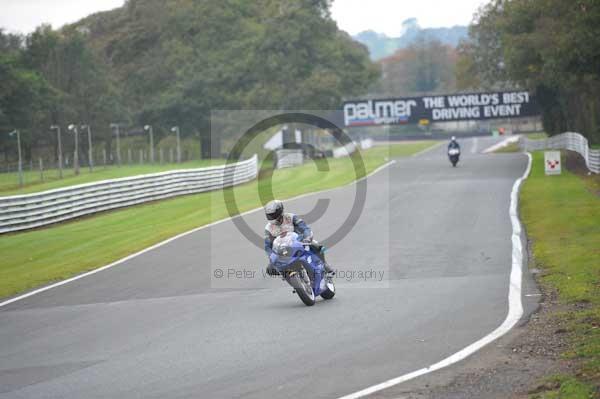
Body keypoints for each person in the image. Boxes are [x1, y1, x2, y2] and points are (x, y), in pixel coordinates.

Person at [263, 200, 334, 276]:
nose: (271, 217)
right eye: (269, 215)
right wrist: (272, 257)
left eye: (273, 214)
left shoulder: (291, 217)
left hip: (299, 242)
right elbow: (268, 246)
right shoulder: (268, 228)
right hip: (283, 251)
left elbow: (305, 228)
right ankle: (292, 279)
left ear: (280, 211)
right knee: (270, 269)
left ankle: (325, 264)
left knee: (316, 245)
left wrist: (307, 238)